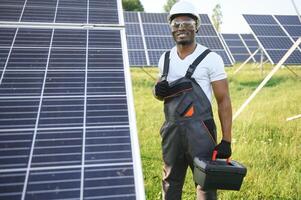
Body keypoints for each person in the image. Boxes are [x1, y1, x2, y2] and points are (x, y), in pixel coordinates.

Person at [153, 1, 233, 200]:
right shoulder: (165, 58)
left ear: (196, 26)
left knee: (205, 183)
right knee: (170, 181)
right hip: (171, 131)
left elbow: (223, 101)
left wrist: (226, 139)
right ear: (171, 28)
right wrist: (157, 90)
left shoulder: (211, 58)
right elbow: (159, 94)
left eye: (187, 22)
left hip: (201, 132)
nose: (181, 27)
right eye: (176, 23)